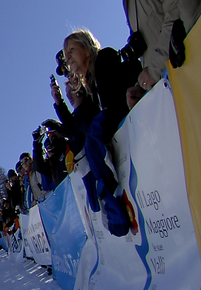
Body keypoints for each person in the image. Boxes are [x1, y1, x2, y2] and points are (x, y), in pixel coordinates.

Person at [59, 29, 140, 235]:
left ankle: (109, 200)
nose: (68, 58)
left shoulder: (105, 59)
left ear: (86, 48)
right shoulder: (89, 88)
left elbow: (111, 112)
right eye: (66, 55)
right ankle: (107, 201)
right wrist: (78, 101)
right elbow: (81, 128)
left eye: (71, 50)